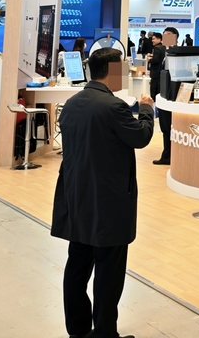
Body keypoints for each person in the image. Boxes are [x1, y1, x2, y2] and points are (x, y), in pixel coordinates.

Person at [51, 48, 154, 338]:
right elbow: (141, 137)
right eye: (122, 67)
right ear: (110, 70)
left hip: (76, 197)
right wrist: (146, 109)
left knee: (77, 265)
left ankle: (78, 329)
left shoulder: (72, 104)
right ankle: (106, 333)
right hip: (108, 201)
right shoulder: (113, 106)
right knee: (109, 271)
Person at [148, 33, 169, 165]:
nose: (153, 40)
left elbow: (156, 61)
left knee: (166, 127)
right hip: (165, 91)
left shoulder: (160, 49)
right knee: (166, 128)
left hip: (162, 86)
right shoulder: (166, 50)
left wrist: (150, 59)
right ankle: (167, 155)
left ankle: (167, 155)